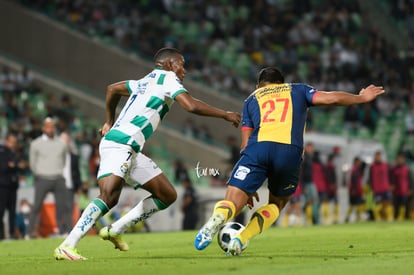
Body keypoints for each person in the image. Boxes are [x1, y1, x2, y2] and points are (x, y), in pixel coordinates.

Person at [54, 47, 241, 260]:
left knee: (167, 195)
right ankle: (68, 244)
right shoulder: (169, 79)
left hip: (129, 148)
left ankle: (116, 229)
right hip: (119, 144)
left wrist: (109, 120)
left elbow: (111, 89)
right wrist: (225, 115)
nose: (184, 70)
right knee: (108, 196)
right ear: (170, 65)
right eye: (181, 64)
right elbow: (190, 106)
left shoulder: (144, 81)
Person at [194, 67, 385, 256]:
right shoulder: (297, 89)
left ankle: (217, 218)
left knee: (232, 201)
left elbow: (245, 144)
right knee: (276, 204)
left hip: (257, 150)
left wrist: (248, 187)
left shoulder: (252, 98)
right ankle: (242, 238)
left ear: (258, 85)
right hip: (289, 151)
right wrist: (360, 98)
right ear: (282, 83)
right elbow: (331, 98)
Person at [26, 117, 68, 239]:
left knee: (61, 206)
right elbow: (32, 163)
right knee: (37, 206)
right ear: (44, 128)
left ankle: (62, 231)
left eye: (52, 127)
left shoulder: (62, 143)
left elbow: (63, 160)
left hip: (58, 178)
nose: (50, 129)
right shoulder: (35, 144)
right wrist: (39, 173)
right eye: (48, 126)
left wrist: (57, 171)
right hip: (43, 178)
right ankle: (29, 233)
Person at [0, 133, 23, 240]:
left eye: (14, 142)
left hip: (13, 186)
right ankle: (1, 234)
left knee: (12, 211)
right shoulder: (2, 152)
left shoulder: (14, 153)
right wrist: (13, 165)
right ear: (6, 141)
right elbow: (4, 166)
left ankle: (12, 233)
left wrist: (14, 165)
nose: (13, 144)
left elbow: (20, 165)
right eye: (11, 142)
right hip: (3, 186)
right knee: (1, 210)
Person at [60, 131, 82, 235]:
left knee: (69, 208)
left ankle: (68, 230)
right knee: (59, 208)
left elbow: (77, 172)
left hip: (70, 186)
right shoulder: (56, 156)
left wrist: (78, 187)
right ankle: (61, 229)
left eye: (66, 140)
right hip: (58, 185)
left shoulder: (73, 156)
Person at [369, 151, 393, 221]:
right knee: (377, 204)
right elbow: (370, 178)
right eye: (376, 156)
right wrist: (372, 188)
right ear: (375, 157)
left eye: (379, 156)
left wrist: (391, 184)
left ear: (381, 157)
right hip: (377, 189)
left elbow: (390, 175)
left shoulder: (385, 165)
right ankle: (378, 218)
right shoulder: (372, 167)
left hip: (385, 188)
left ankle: (389, 217)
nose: (378, 157)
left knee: (387, 203)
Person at [301, 142, 319, 225]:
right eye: (309, 148)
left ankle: (314, 219)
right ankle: (312, 219)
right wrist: (303, 186)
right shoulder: (304, 158)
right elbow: (301, 173)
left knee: (313, 200)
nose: (311, 149)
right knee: (310, 201)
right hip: (307, 183)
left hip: (311, 182)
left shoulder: (311, 158)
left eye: (311, 148)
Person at [391, 153, 412, 221]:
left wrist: (410, 189)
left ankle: (405, 218)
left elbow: (410, 179)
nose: (400, 160)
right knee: (396, 206)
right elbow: (391, 179)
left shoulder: (406, 168)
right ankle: (396, 218)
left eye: (401, 159)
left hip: (404, 190)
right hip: (396, 191)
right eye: (399, 159)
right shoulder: (394, 169)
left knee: (404, 205)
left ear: (403, 160)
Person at [345, 157, 366, 223]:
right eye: (358, 162)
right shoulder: (354, 170)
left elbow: (364, 165)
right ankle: (348, 217)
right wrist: (353, 189)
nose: (359, 163)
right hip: (354, 190)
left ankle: (356, 217)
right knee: (353, 204)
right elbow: (353, 180)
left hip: (357, 190)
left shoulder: (357, 170)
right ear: (355, 162)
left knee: (358, 204)